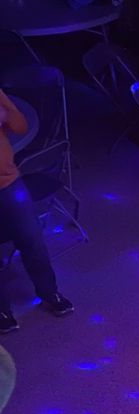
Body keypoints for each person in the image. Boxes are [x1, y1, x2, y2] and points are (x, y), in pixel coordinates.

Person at [0, 86, 72, 333]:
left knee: (33, 240)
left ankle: (49, 292)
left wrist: (5, 115)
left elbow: (20, 126)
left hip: (9, 184)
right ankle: (2, 310)